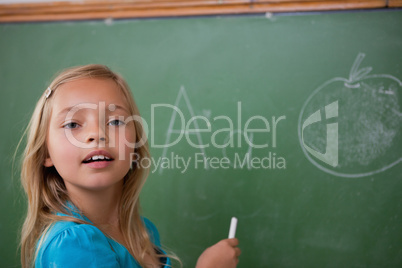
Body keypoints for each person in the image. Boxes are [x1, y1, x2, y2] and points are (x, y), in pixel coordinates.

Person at [19, 64, 241, 268]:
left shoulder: (143, 232)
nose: (97, 134)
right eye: (72, 124)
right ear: (46, 153)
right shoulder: (73, 244)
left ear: (135, 145)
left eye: (115, 121)